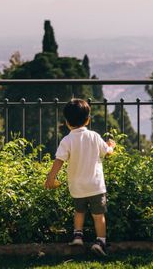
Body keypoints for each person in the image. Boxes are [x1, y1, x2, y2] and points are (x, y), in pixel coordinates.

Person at [44, 98, 115, 256]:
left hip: (77, 186)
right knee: (98, 216)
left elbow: (59, 161)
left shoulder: (67, 140)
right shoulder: (95, 136)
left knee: (79, 211)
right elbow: (107, 153)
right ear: (88, 120)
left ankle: (77, 236)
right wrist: (111, 146)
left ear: (67, 122)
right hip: (96, 186)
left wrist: (50, 178)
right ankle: (101, 241)